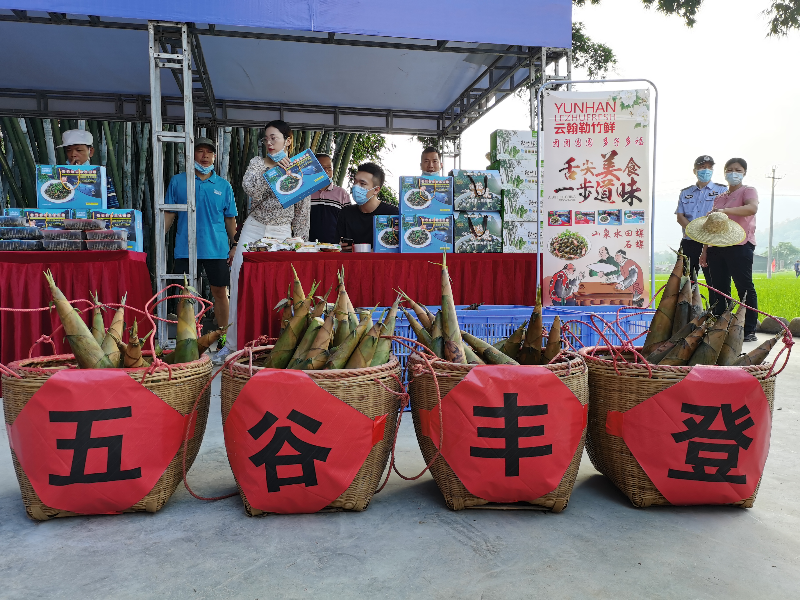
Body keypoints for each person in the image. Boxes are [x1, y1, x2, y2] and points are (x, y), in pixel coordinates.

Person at [220, 120, 311, 360]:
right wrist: (275, 172)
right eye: (266, 139)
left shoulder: (302, 167)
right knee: (238, 278)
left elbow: (302, 212)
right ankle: (231, 345)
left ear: (288, 141)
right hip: (254, 228)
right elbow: (252, 190)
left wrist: (300, 241)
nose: (269, 143)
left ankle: (275, 345)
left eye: (274, 138)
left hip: (282, 232)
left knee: (278, 287)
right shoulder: (257, 163)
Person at [164, 137, 237, 349]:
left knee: (220, 292)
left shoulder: (223, 186)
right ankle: (185, 340)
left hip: (216, 248)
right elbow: (169, 213)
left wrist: (235, 244)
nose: (205, 156)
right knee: (185, 292)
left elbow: (230, 219)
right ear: (191, 155)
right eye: (200, 151)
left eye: (209, 152)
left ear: (214, 156)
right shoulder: (179, 181)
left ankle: (224, 338)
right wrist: (160, 238)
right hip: (185, 247)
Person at [699, 157, 759, 342]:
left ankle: (748, 329)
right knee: (719, 289)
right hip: (717, 246)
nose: (734, 173)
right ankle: (720, 325)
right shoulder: (720, 198)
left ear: (744, 173)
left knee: (744, 287)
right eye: (730, 170)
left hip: (740, 245)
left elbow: (752, 208)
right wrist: (704, 250)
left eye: (738, 170)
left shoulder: (747, 191)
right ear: (724, 173)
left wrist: (725, 212)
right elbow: (712, 227)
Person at [675, 155, 727, 281]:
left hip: (712, 242)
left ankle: (717, 302)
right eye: (702, 167)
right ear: (695, 171)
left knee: (715, 280)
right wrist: (694, 232)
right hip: (690, 240)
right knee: (686, 280)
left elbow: (723, 216)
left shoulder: (722, 190)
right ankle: (688, 301)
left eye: (709, 167)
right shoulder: (685, 192)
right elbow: (680, 216)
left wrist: (704, 234)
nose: (706, 170)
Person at [336, 163, 398, 251]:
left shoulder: (392, 214)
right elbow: (336, 243)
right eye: (355, 182)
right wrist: (340, 246)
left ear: (376, 190)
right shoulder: (346, 213)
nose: (356, 187)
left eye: (362, 183)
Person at [57, 129, 119, 208]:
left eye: (79, 150)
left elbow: (112, 207)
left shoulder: (101, 176)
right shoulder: (57, 175)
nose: (73, 154)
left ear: (91, 152)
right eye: (68, 150)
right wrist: (69, 174)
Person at [308, 153, 351, 244]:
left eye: (329, 168)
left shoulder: (342, 193)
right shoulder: (306, 193)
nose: (326, 170)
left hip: (334, 246)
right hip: (307, 246)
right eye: (322, 168)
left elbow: (348, 221)